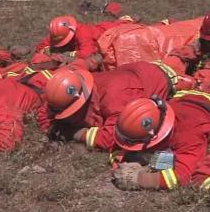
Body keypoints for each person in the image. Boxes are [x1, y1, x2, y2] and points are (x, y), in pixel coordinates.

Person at [110, 80, 210, 191]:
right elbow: (124, 142)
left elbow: (183, 174)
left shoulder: (189, 134)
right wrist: (120, 162)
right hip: (192, 95)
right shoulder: (151, 114)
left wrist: (141, 179)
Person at [36, 58, 193, 151]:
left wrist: (74, 133)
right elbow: (47, 111)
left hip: (167, 75)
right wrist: (51, 127)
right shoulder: (68, 86)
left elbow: (114, 138)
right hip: (135, 70)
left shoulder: (115, 100)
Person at [31, 15, 133, 67]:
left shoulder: (83, 32)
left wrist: (67, 54)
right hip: (102, 29)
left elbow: (87, 53)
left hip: (109, 33)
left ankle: (128, 20)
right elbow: (41, 47)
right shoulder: (59, 32)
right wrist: (47, 51)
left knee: (127, 28)